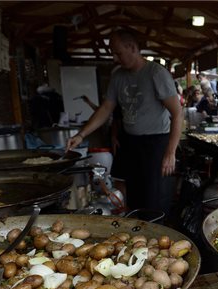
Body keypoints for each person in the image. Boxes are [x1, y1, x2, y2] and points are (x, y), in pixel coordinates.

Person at [66, 29, 181, 215]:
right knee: (134, 198)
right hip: (132, 143)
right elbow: (105, 108)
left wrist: (170, 152)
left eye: (118, 53)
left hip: (156, 144)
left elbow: (177, 113)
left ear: (132, 47)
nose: (115, 58)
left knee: (154, 200)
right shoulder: (118, 76)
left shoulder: (156, 73)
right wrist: (81, 135)